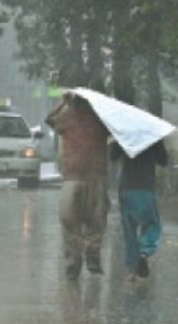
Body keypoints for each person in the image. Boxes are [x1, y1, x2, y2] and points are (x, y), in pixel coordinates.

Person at [45, 92, 110, 279]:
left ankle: (84, 257)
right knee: (91, 219)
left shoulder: (97, 119)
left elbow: (49, 119)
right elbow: (49, 120)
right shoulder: (76, 118)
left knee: (74, 220)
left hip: (87, 176)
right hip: (87, 177)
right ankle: (80, 259)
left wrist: (61, 103)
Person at [111, 139, 168, 280]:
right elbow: (164, 160)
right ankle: (144, 252)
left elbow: (112, 156)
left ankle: (132, 271)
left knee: (129, 230)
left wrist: (118, 141)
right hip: (146, 188)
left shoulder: (124, 134)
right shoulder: (153, 136)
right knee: (152, 224)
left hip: (127, 189)